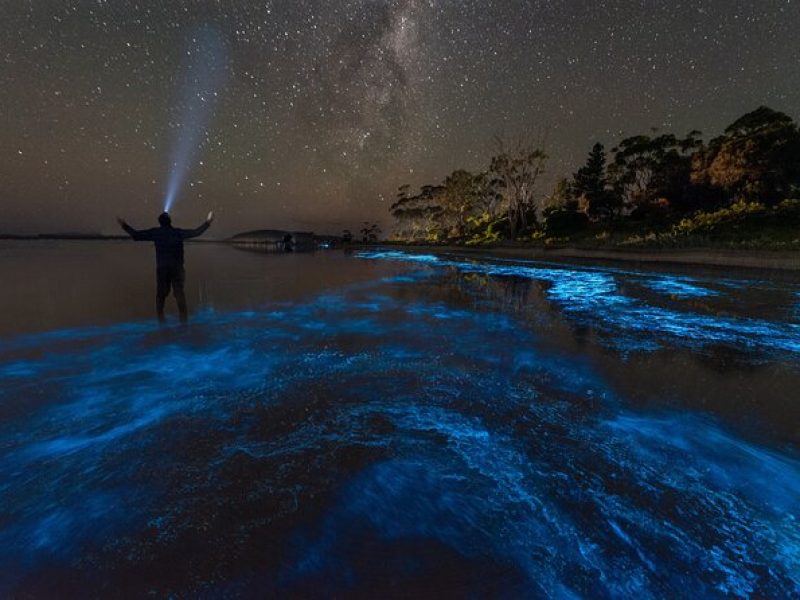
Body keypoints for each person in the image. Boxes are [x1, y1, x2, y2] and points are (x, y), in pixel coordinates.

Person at [117, 210, 214, 323]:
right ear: (169, 221)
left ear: (160, 222)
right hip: (177, 268)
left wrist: (124, 225)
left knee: (161, 294)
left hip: (162, 268)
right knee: (179, 293)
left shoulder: (156, 232)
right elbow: (196, 232)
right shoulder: (177, 233)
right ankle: (183, 319)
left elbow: (136, 235)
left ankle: (160, 317)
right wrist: (208, 222)